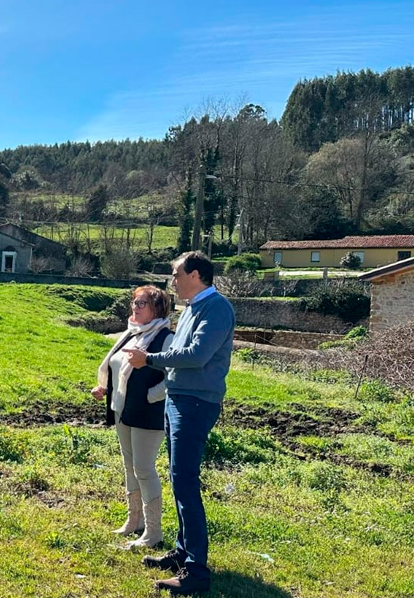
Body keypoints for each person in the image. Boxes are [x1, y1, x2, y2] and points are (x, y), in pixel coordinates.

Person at [124, 251, 235, 595]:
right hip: (178, 399)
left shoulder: (216, 309)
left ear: (196, 275)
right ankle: (183, 552)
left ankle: (196, 571)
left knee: (185, 483)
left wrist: (149, 359)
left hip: (196, 403)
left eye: (176, 274)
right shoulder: (191, 309)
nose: (172, 281)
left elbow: (197, 355)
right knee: (178, 479)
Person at [90, 285, 173, 549]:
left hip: (148, 413)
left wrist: (149, 396)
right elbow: (118, 368)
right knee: (130, 467)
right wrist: (105, 388)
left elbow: (175, 378)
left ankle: (153, 532)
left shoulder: (166, 338)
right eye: (134, 302)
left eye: (141, 303)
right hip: (122, 410)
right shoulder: (130, 334)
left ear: (157, 308)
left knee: (144, 469)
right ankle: (134, 520)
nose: (135, 308)